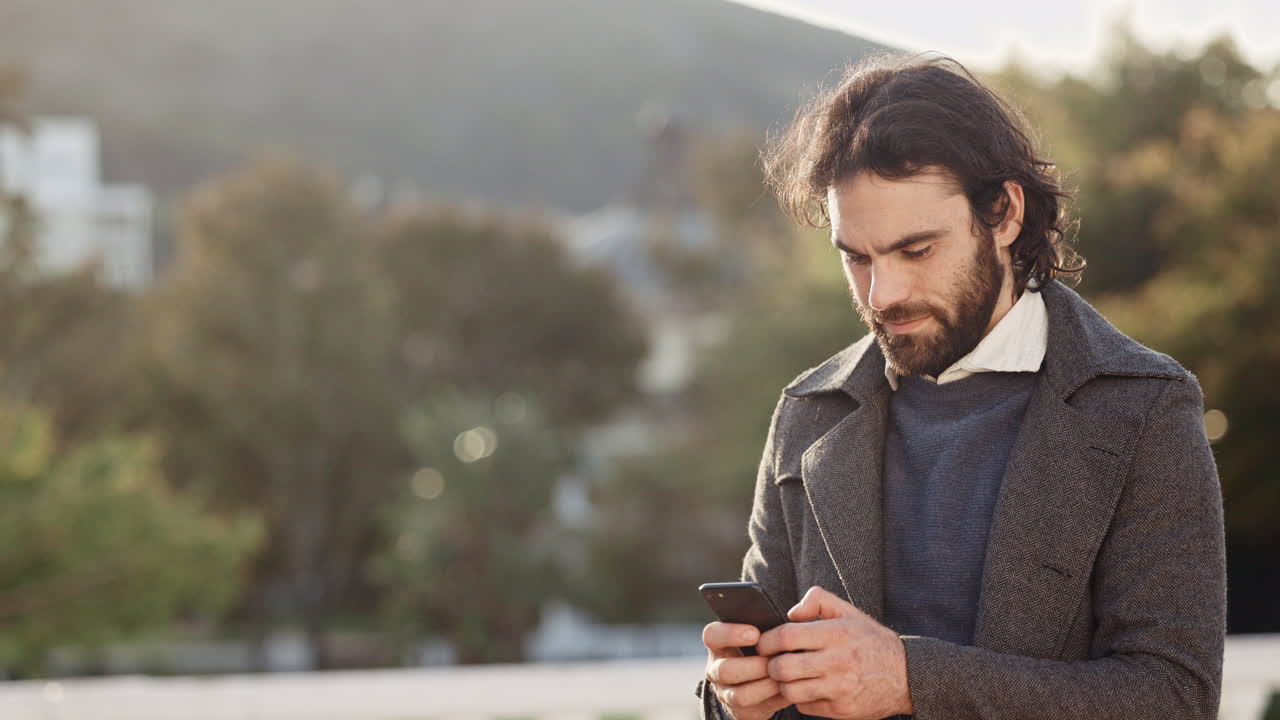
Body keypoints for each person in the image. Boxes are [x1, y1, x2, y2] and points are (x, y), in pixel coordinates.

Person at [696, 54, 1226, 720]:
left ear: (1003, 214)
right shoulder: (809, 411)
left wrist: (913, 678)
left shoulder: (1142, 405)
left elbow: (1174, 698)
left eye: (916, 250)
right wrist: (731, 697)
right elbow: (755, 680)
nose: (883, 294)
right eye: (856, 258)